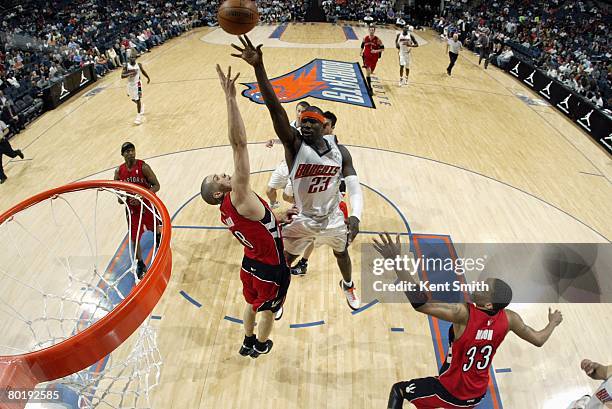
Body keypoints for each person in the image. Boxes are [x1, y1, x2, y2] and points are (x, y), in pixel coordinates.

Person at [232, 35, 364, 311]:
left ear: (323, 125)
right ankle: (278, 297)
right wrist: (259, 67)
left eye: (311, 122)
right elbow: (274, 108)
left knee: (342, 253)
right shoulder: (294, 145)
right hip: (302, 218)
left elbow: (353, 186)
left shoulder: (341, 151)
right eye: (302, 121)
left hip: (332, 218)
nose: (304, 125)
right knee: (284, 261)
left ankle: (348, 285)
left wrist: (356, 215)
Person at [372, 233, 564, 409]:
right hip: (477, 394)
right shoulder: (510, 318)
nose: (478, 284)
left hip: (450, 391)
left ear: (488, 304)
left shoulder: (463, 313)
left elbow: (421, 304)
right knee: (448, 367)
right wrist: (553, 323)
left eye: (483, 287)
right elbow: (539, 340)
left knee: (399, 390)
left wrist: (395, 259)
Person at [200, 65, 292, 358]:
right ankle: (261, 346)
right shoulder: (238, 194)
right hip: (270, 267)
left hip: (249, 264)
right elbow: (238, 144)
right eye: (218, 178)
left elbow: (256, 223)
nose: (224, 174)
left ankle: (247, 340)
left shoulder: (227, 210)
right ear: (218, 193)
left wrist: (277, 217)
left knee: (251, 303)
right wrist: (230, 99)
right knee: (268, 309)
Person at [113, 142, 161, 279]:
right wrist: (122, 198)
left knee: (154, 225)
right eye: (127, 151)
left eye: (132, 150)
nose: (130, 153)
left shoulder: (143, 167)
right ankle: (140, 263)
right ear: (122, 155)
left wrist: (144, 194)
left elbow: (157, 185)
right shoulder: (119, 172)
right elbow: (117, 193)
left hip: (146, 205)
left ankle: (158, 236)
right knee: (134, 238)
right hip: (132, 210)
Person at [265, 101, 310, 209]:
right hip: (285, 164)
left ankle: (304, 207)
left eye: (303, 112)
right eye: (298, 111)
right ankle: (274, 205)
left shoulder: (308, 130)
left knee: (286, 197)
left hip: (297, 169)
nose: (300, 114)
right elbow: (285, 139)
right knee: (269, 191)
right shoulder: (290, 125)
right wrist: (273, 141)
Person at [121, 53, 150, 125]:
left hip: (138, 84)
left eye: (133, 57)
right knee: (133, 99)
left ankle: (138, 117)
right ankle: (141, 106)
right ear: (129, 59)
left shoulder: (139, 65)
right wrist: (130, 73)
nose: (132, 58)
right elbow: (122, 76)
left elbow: (143, 71)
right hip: (130, 84)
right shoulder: (126, 66)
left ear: (135, 58)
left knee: (138, 99)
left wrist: (148, 77)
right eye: (131, 57)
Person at [361, 25, 384, 95]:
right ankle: (370, 88)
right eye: (370, 30)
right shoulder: (365, 38)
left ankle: (369, 75)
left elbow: (382, 49)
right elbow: (362, 45)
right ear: (369, 30)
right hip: (367, 56)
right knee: (368, 71)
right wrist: (361, 51)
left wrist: (376, 51)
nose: (371, 31)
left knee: (371, 71)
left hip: (374, 57)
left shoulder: (378, 39)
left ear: (374, 31)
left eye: (372, 30)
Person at [0, 120, 24, 184]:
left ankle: (17, 152)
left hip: (3, 143)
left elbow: (7, 130)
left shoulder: (0, 122)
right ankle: (2, 177)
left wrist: (2, 135)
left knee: (12, 155)